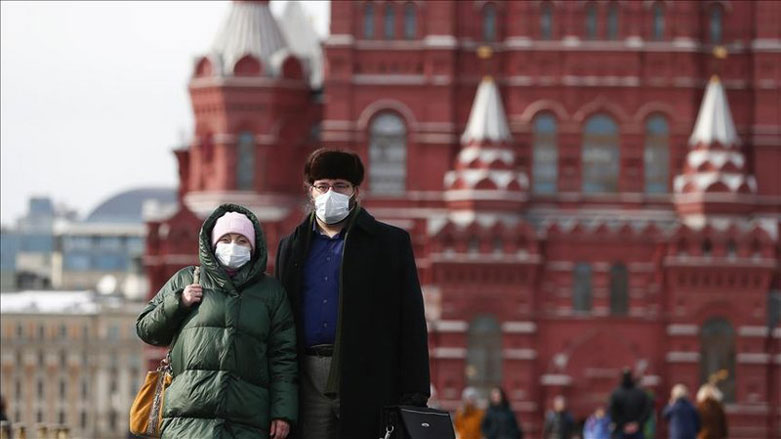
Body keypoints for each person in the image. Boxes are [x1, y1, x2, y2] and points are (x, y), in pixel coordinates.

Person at [275, 149, 430, 439]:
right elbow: (280, 323)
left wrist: (415, 391)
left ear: (355, 191)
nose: (330, 193)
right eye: (322, 186)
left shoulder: (389, 244)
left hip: (367, 373)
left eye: (340, 186)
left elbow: (410, 320)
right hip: (308, 376)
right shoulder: (291, 247)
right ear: (310, 191)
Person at [137, 204, 298, 439]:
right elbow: (146, 329)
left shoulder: (271, 293)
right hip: (187, 419)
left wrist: (282, 413)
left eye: (242, 241)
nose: (233, 246)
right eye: (226, 239)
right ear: (212, 243)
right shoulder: (187, 279)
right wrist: (178, 302)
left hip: (246, 421)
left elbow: (283, 357)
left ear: (254, 247)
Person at [609, 368, 653, 439]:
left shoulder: (616, 393)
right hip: (638, 430)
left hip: (622, 431)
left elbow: (613, 412)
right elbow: (647, 410)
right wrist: (637, 424)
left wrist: (623, 425)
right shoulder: (641, 393)